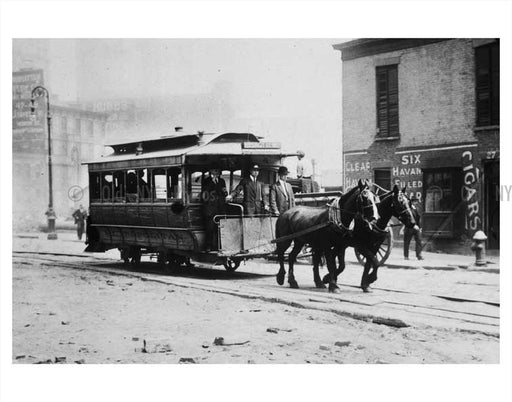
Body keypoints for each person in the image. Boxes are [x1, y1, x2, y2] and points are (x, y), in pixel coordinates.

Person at [201, 164, 228, 251]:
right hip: (210, 208)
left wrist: (225, 193)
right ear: (211, 171)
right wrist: (212, 182)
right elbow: (205, 193)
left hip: (220, 207)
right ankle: (208, 246)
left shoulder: (222, 181)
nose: (216, 172)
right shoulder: (206, 181)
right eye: (214, 170)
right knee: (210, 228)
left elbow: (224, 192)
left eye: (218, 170)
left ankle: (218, 246)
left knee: (219, 228)